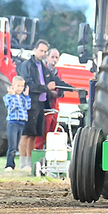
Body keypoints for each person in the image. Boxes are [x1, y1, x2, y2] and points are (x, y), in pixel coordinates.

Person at [18, 40, 72, 169]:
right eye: (41, 51)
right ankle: (22, 163)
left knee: (34, 135)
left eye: (44, 51)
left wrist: (72, 88)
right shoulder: (27, 65)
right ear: (35, 50)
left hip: (41, 105)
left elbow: (56, 81)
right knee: (26, 134)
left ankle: (30, 162)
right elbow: (28, 84)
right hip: (30, 103)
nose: (42, 54)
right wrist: (45, 87)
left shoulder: (43, 67)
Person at [34, 48, 61, 150]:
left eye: (56, 57)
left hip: (54, 107)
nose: (54, 59)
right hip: (44, 106)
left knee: (53, 133)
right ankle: (38, 152)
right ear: (47, 58)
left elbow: (60, 90)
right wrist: (50, 91)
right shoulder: (42, 71)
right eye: (52, 57)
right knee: (41, 133)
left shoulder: (58, 72)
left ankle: (51, 153)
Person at [3, 76, 31, 171]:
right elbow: (12, 107)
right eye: (18, 86)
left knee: (17, 144)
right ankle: (9, 165)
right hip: (13, 123)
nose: (20, 88)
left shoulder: (22, 97)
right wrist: (13, 96)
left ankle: (16, 165)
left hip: (21, 123)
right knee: (12, 146)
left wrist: (27, 96)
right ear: (13, 86)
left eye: (22, 86)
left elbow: (27, 107)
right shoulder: (8, 97)